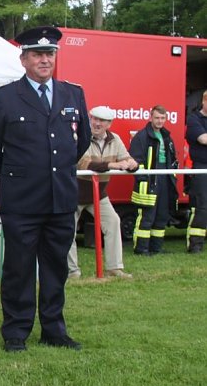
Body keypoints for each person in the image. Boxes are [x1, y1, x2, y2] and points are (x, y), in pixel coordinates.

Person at [0, 25, 90, 352]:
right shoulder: (5, 96)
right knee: (19, 268)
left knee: (56, 268)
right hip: (22, 201)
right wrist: (14, 174)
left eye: (49, 54)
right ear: (23, 58)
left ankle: (54, 329)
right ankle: (16, 331)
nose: (44, 60)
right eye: (38, 54)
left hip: (60, 198)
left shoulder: (72, 94)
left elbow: (79, 141)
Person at [67, 105, 139, 278]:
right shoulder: (80, 137)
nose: (97, 123)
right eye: (94, 119)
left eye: (102, 120)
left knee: (113, 222)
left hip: (98, 193)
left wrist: (132, 164)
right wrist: (112, 165)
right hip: (73, 192)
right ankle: (72, 271)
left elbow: (125, 158)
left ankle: (114, 267)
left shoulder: (115, 139)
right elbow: (82, 164)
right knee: (67, 230)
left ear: (109, 124)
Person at [130, 105, 179, 255]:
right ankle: (141, 249)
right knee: (147, 216)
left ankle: (156, 248)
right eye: (157, 118)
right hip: (149, 182)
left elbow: (172, 159)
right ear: (150, 117)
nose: (159, 121)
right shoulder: (142, 136)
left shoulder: (166, 136)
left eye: (162, 118)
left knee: (162, 215)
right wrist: (144, 179)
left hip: (164, 179)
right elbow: (135, 161)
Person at [184, 90, 207, 253]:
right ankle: (195, 244)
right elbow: (203, 139)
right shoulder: (194, 119)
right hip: (202, 167)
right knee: (201, 207)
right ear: (204, 101)